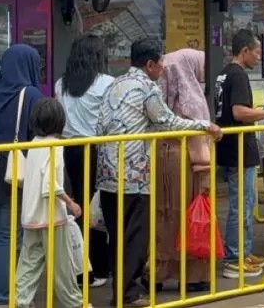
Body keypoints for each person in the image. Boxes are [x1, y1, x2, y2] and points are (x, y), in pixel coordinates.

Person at [96, 38, 221, 307]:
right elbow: (167, 120)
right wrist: (204, 125)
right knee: (136, 237)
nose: (163, 67)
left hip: (106, 174)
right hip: (134, 174)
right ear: (150, 64)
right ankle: (127, 296)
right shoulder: (146, 87)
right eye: (160, 62)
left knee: (117, 237)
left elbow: (102, 125)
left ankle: (120, 293)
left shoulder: (113, 85)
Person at [0, 44, 44, 307]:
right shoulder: (31, 95)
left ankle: (9, 291)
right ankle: (6, 296)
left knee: (4, 232)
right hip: (15, 175)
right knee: (9, 236)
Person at [215, 30, 264, 280]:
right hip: (238, 149)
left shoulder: (224, 73)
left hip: (229, 147)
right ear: (244, 51)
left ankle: (243, 252)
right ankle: (234, 258)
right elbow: (238, 112)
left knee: (244, 204)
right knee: (242, 205)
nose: (258, 57)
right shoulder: (238, 76)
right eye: (256, 52)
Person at [13, 97, 86, 308]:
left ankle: (21, 302)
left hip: (30, 215)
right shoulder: (56, 146)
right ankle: (75, 303)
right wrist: (71, 203)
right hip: (52, 217)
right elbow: (50, 186)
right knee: (63, 268)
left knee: (28, 263)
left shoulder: (33, 144)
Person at [55, 34, 114, 288]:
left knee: (79, 204)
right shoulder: (107, 83)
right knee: (100, 208)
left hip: (71, 151)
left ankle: (82, 268)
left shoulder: (61, 84)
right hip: (98, 149)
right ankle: (101, 267)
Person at [154, 48, 213, 287]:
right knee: (189, 215)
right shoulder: (194, 100)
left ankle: (158, 271)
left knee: (164, 214)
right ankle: (192, 276)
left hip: (163, 157)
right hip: (188, 162)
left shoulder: (161, 96)